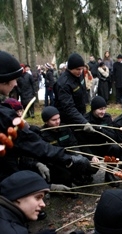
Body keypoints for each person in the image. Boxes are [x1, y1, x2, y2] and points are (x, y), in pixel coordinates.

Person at [0, 51, 90, 182]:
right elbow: (32, 144)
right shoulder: (4, 115)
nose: (15, 84)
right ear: (4, 80)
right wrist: (67, 159)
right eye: (14, 79)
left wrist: (31, 129)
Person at [40, 106, 95, 186]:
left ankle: (80, 176)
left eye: (58, 118)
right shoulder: (43, 135)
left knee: (89, 164)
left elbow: (74, 143)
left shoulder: (65, 128)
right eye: (54, 120)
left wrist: (78, 156)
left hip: (71, 156)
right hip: (57, 162)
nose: (57, 122)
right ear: (46, 121)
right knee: (66, 177)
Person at [81, 96, 122, 185]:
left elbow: (113, 136)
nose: (103, 112)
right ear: (93, 109)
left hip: (103, 146)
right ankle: (85, 175)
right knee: (93, 167)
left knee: (115, 147)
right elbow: (82, 143)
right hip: (90, 149)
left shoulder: (107, 118)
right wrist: (91, 157)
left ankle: (109, 174)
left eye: (104, 109)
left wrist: (100, 129)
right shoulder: (85, 120)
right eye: (100, 109)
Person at [53, 52, 95, 132]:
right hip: (68, 120)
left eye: (82, 68)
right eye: (77, 69)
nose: (80, 71)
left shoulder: (80, 75)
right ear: (70, 68)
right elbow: (68, 107)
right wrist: (83, 122)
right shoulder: (63, 84)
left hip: (80, 114)